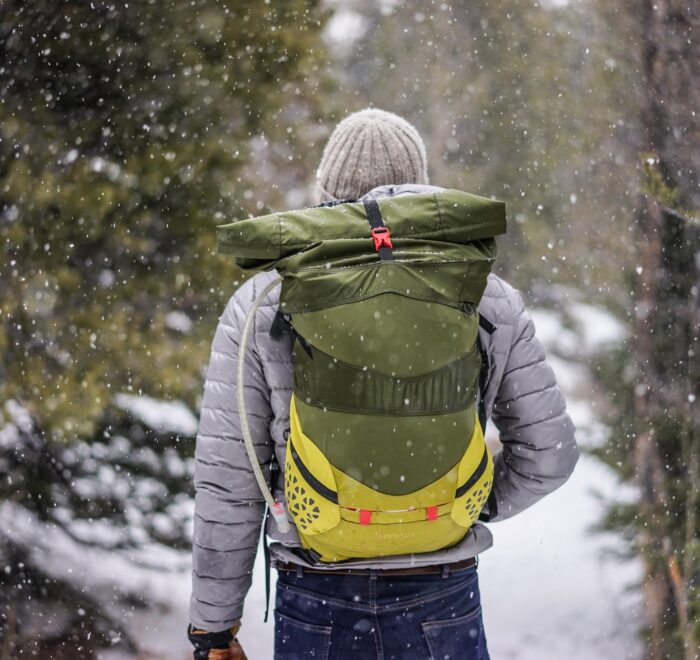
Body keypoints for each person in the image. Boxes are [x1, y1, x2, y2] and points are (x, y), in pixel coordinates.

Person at [187, 108, 579, 660]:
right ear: (421, 189)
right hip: (443, 593)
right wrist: (462, 504)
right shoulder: (485, 293)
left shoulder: (264, 300)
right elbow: (550, 453)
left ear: (326, 194)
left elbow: (229, 483)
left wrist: (214, 629)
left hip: (316, 595)